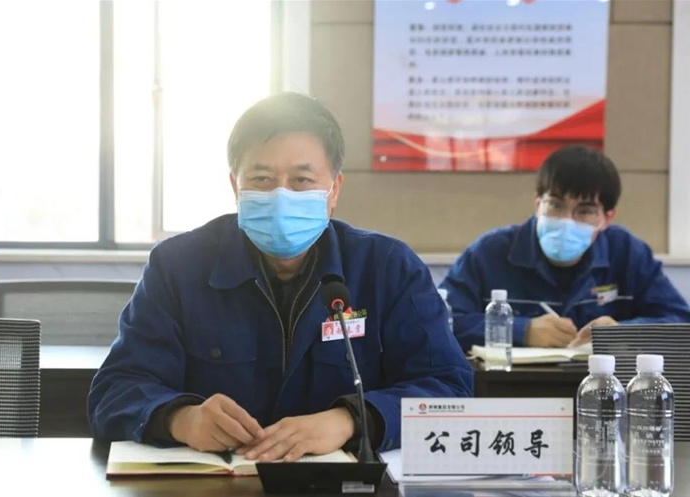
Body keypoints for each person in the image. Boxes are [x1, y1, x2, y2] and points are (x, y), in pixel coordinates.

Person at [88, 92, 473, 461]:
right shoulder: (178, 266)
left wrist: (351, 421)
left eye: (302, 181)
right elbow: (116, 389)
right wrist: (180, 419)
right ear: (235, 186)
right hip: (216, 484)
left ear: (334, 190)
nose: (280, 196)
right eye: (262, 179)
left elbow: (448, 388)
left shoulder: (388, 267)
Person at [440, 145, 690, 352]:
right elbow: (439, 321)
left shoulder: (627, 253)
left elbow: (679, 321)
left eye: (585, 211)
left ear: (607, 217)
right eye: (555, 205)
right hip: (509, 388)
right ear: (537, 204)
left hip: (604, 386)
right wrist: (521, 330)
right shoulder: (489, 253)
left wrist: (621, 332)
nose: (567, 220)